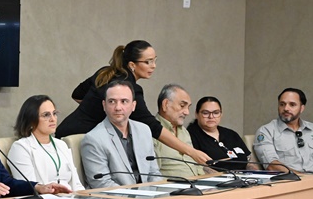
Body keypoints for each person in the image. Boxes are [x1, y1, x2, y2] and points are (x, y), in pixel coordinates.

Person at [56, 40, 209, 165]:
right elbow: (154, 128)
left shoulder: (105, 72)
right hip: (77, 140)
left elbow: (77, 94)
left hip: (65, 131)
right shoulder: (130, 89)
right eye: (148, 62)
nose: (153, 66)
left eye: (155, 60)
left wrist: (94, 108)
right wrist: (191, 152)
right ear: (132, 65)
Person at [81, 81, 162, 188]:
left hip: (148, 195)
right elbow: (101, 184)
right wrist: (137, 196)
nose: (118, 107)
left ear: (133, 106)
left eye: (124, 101)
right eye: (112, 101)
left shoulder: (144, 130)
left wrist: (157, 194)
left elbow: (154, 173)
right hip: (116, 197)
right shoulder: (93, 139)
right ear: (104, 105)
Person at [7, 95, 84, 191]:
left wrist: (85, 197)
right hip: (45, 198)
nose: (53, 119)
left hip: (71, 197)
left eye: (54, 113)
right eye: (46, 115)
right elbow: (30, 188)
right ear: (31, 120)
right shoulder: (21, 147)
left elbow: (77, 185)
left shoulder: (61, 144)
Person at [187, 96, 256, 170]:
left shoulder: (231, 134)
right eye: (205, 113)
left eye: (216, 113)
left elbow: (249, 160)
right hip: (216, 176)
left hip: (244, 175)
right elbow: (200, 168)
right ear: (196, 114)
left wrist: (255, 174)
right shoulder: (190, 136)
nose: (211, 116)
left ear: (221, 114)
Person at [254, 88, 313, 173]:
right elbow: (272, 166)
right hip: (290, 179)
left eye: (292, 105)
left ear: (302, 108)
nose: (286, 108)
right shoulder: (266, 131)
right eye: (282, 104)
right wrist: (304, 178)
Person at [153, 84, 205, 177]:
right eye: (182, 106)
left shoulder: (184, 131)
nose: (187, 112)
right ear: (165, 104)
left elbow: (198, 167)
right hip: (172, 185)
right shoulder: (152, 131)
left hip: (198, 183)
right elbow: (152, 174)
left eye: (188, 107)